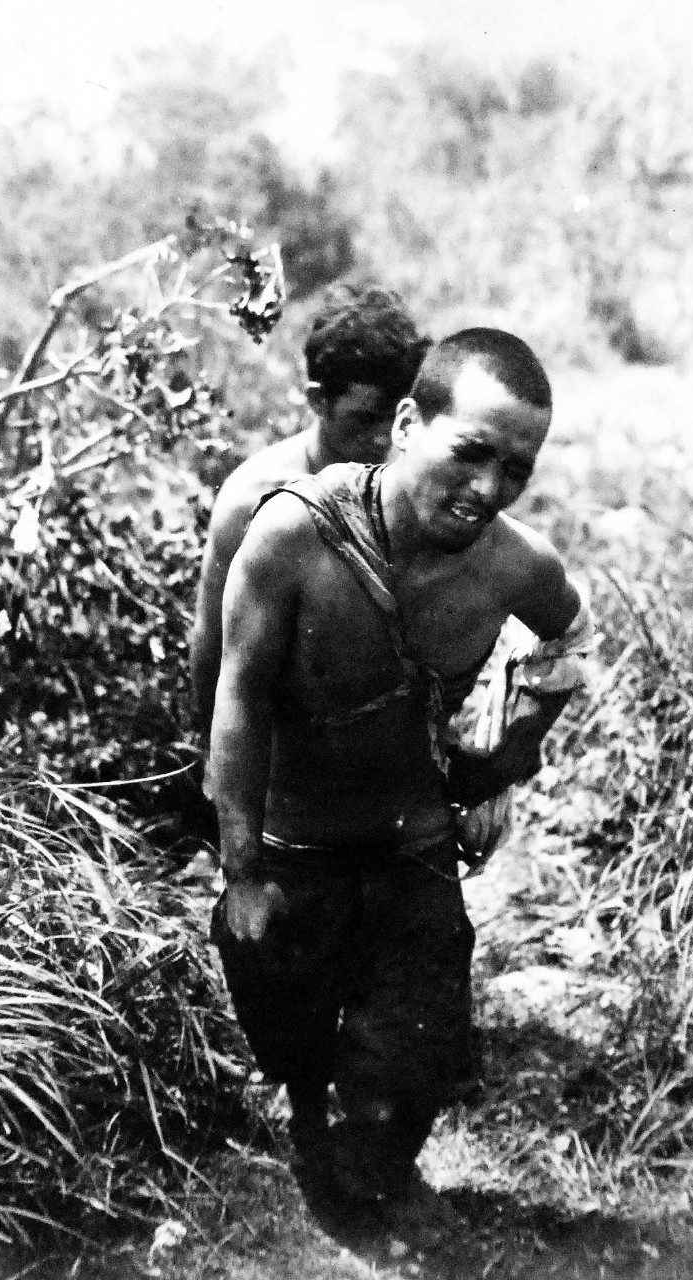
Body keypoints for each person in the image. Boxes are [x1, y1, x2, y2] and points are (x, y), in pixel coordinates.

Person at [208, 327, 592, 1234]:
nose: (488, 489)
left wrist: (506, 751)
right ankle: (308, 1126)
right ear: (409, 423)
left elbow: (572, 640)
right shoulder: (294, 532)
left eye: (514, 469)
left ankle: (376, 1173)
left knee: (418, 1043)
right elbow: (238, 697)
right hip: (293, 837)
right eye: (471, 453)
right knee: (290, 1026)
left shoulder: (516, 565)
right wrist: (240, 870)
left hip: (411, 842)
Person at [190, 283, 429, 737]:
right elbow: (212, 650)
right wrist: (218, 771)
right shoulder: (252, 499)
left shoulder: (417, 485)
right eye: (363, 419)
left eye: (396, 420)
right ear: (318, 401)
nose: (383, 440)